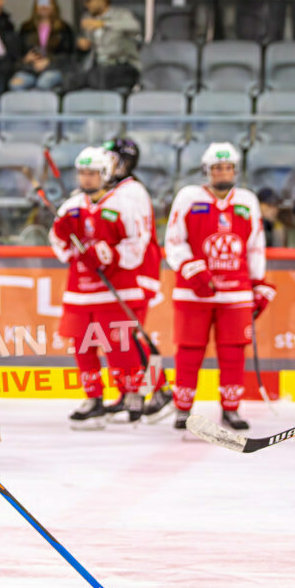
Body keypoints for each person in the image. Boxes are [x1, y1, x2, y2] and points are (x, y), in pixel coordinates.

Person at [164, 142, 275, 431]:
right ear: (207, 171)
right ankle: (182, 408)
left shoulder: (247, 200)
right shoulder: (188, 197)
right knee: (189, 350)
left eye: (227, 168)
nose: (223, 173)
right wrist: (193, 271)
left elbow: (255, 246)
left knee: (233, 351)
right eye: (217, 168)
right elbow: (174, 240)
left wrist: (258, 282)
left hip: (236, 291)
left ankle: (231, 409)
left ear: (235, 170)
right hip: (193, 292)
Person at [50, 146, 151, 427]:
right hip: (80, 292)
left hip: (114, 289)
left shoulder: (123, 204)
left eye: (92, 173)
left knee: (120, 346)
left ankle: (132, 394)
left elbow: (137, 244)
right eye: (82, 173)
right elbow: (59, 246)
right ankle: (93, 397)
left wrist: (107, 254)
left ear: (104, 174)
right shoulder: (71, 206)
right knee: (83, 346)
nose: (87, 178)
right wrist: (65, 239)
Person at [102, 137, 173, 422]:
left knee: (131, 335)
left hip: (138, 273)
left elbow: (139, 240)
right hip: (123, 274)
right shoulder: (114, 190)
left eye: (113, 158)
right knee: (118, 335)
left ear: (125, 162)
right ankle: (128, 391)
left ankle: (161, 389)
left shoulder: (133, 192)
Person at [64, 0, 141, 92]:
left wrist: (103, 24)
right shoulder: (87, 18)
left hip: (124, 66)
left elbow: (135, 27)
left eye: (89, 0)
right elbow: (88, 45)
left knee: (99, 78)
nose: (86, 4)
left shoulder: (121, 14)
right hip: (97, 67)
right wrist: (84, 44)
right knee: (70, 81)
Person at [9, 0, 73, 91]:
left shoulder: (64, 28)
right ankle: (28, 106)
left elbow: (68, 56)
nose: (44, 6)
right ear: (36, 5)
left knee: (44, 82)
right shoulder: (26, 28)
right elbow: (16, 56)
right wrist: (25, 59)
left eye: (48, 2)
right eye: (41, 2)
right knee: (15, 84)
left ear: (54, 6)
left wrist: (48, 61)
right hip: (30, 69)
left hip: (54, 69)